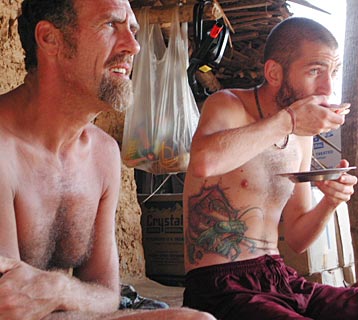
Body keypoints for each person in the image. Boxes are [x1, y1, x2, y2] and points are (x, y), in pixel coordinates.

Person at [182, 16, 358, 320]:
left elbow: (297, 238)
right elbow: (205, 162)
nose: (327, 87)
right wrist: (290, 120)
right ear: (274, 72)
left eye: (332, 73)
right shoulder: (228, 105)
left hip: (280, 276)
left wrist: (330, 201)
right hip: (220, 284)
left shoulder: (301, 138)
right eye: (315, 71)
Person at [0, 0, 215, 319]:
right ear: (50, 39)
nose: (133, 46)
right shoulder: (5, 147)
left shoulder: (103, 154)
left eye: (132, 29)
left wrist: (59, 290)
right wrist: (69, 296)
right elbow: (10, 303)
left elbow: (106, 295)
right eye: (110, 25)